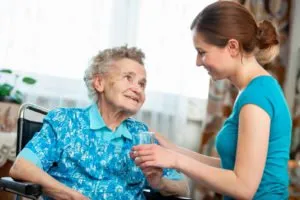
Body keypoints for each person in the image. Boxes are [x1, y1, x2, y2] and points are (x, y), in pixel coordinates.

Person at [132, 1, 292, 199]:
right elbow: (230, 166)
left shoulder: (255, 99)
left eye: (202, 52)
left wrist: (175, 160)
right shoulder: (255, 91)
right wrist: (174, 150)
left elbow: (243, 187)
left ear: (232, 47)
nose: (198, 62)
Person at [9, 46, 189, 200]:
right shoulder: (65, 122)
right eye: (128, 78)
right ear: (99, 83)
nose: (137, 89)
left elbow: (183, 187)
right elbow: (21, 167)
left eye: (142, 84)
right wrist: (71, 195)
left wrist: (159, 182)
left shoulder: (141, 135)